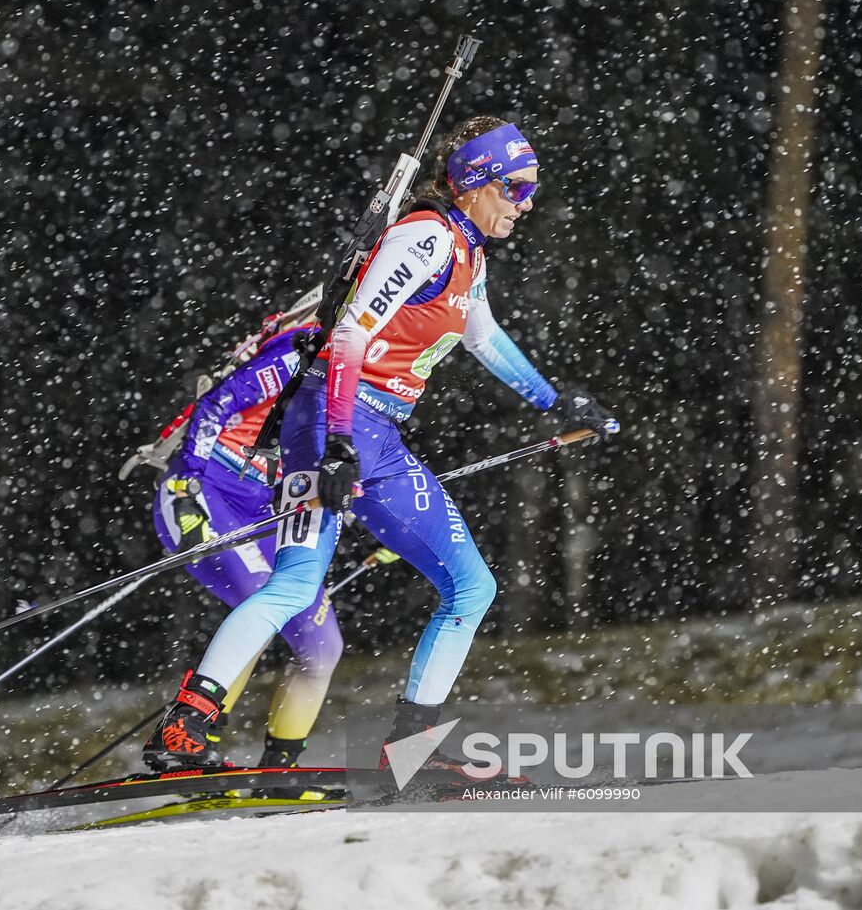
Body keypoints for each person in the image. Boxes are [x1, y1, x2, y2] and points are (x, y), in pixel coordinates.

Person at [142, 116, 615, 773]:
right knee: (448, 587)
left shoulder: (467, 252)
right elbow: (349, 334)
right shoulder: (425, 238)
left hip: (354, 427)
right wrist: (337, 440)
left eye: (530, 187)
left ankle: (208, 723)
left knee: (329, 583)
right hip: (347, 421)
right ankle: (218, 726)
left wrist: (554, 400)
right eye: (514, 186)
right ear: (473, 182)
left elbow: (483, 338)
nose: (526, 201)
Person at [152, 317, 343, 772]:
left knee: (323, 648)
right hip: (210, 493)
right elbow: (218, 405)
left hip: (269, 510)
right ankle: (183, 740)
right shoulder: (308, 353)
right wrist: (185, 490)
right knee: (263, 604)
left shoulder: (383, 378)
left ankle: (279, 769)